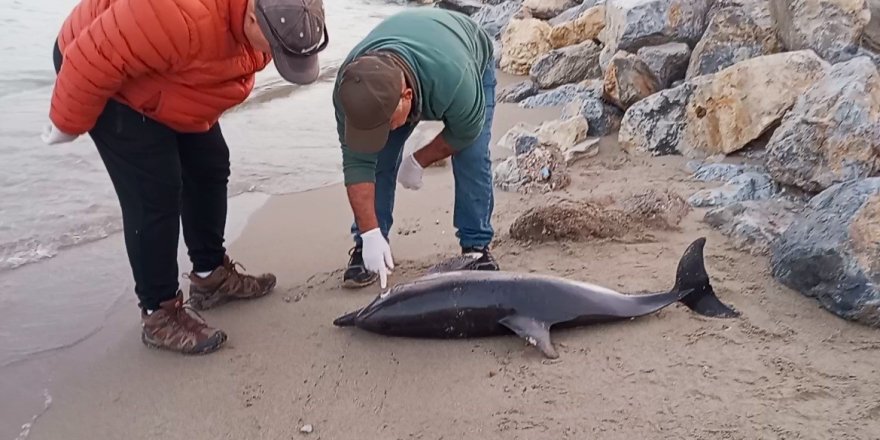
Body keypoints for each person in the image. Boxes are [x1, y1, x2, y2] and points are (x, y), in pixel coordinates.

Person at [41, 0, 328, 355]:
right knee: (155, 190)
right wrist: (67, 121)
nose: (275, 57)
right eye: (275, 48)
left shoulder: (282, 16)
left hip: (173, 68)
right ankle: (158, 313)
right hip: (97, 67)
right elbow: (92, 57)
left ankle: (211, 279)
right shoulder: (177, 11)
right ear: (253, 16)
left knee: (209, 163)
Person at [332, 8, 499, 290]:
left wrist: (419, 160)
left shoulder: (454, 79)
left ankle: (476, 247)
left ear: (406, 98)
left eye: (383, 124)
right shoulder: (350, 90)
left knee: (472, 156)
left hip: (466, 56)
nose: (379, 133)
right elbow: (357, 165)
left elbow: (464, 133)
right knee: (380, 158)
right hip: (405, 55)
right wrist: (369, 233)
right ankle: (367, 246)